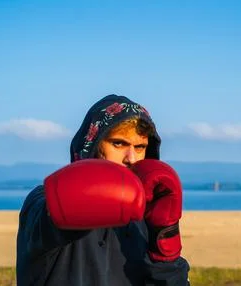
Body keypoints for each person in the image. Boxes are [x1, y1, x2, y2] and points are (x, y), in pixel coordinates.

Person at [16, 94, 190, 285]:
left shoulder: (144, 216)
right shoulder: (42, 200)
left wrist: (164, 239)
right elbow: (47, 219)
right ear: (93, 143)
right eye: (119, 143)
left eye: (140, 147)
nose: (131, 158)